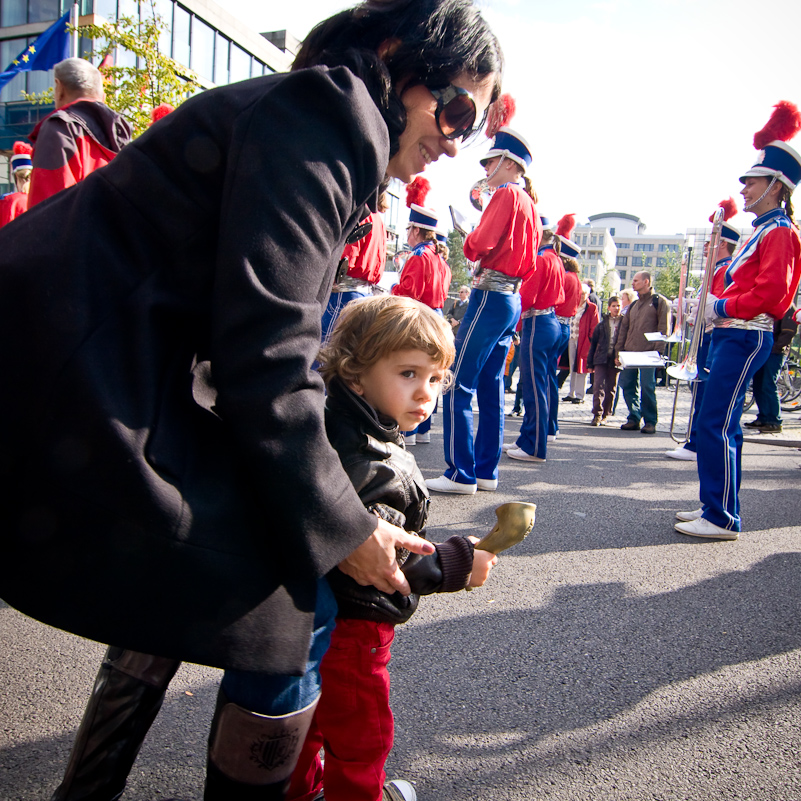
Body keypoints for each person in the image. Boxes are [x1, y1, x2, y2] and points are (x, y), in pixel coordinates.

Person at [0, 1, 502, 798]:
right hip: (64, 369)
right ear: (396, 59)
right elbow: (267, 355)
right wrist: (344, 529)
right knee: (284, 599)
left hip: (78, 363)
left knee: (199, 552)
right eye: (456, 109)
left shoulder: (316, 119)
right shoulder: (327, 111)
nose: (454, 138)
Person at [287, 295, 497, 801]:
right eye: (408, 374)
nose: (425, 394)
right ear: (357, 375)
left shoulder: (335, 425)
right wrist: (459, 562)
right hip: (355, 631)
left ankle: (298, 789)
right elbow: (383, 565)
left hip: (304, 620)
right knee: (363, 735)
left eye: (436, 378)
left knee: (305, 718)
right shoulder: (373, 463)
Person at [675, 100, 801, 540]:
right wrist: (708, 303)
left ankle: (723, 516)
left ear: (776, 184)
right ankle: (716, 505)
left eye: (753, 182)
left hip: (746, 336)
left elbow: (771, 295)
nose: (745, 189)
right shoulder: (764, 230)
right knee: (717, 421)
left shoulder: (781, 231)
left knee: (715, 421)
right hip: (734, 335)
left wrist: (720, 307)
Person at [427, 126, 541, 494]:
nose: (487, 166)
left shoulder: (506, 194)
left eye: (492, 160)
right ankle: (486, 470)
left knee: (457, 381)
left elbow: (480, 244)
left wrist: (469, 237)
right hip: (510, 298)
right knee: (491, 387)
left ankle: (461, 473)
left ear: (508, 163)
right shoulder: (529, 203)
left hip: (491, 296)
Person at [665, 206, 740, 461]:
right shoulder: (715, 270)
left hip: (712, 336)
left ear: (722, 244)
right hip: (706, 336)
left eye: (711, 242)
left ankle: (697, 443)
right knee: (700, 392)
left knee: (705, 393)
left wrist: (697, 308)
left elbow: (717, 306)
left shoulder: (723, 270)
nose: (706, 247)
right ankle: (694, 440)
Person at [27, 57, 132, 207]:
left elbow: (47, 208)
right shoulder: (121, 134)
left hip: (76, 228)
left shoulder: (60, 128)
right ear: (102, 96)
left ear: (59, 89)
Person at [392, 201, 452, 445]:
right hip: (436, 317)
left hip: (418, 318)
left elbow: (407, 292)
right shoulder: (440, 259)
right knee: (429, 375)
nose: (407, 234)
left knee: (412, 372)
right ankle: (423, 428)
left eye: (408, 229)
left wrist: (394, 286)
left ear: (416, 230)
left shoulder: (419, 255)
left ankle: (408, 431)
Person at [504, 226, 564, 461]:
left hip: (538, 322)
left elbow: (526, 297)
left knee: (533, 388)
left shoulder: (541, 258)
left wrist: (513, 325)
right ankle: (527, 438)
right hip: (548, 321)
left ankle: (535, 446)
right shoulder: (555, 258)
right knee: (537, 385)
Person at [321, 194, 388, 344]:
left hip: (343, 296)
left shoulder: (361, 212)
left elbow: (345, 257)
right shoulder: (379, 221)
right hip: (365, 296)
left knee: (324, 352)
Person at [615, 271, 671, 434]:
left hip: (649, 354)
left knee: (647, 387)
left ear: (646, 282)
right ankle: (634, 416)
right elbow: (624, 329)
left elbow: (663, 329)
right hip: (630, 352)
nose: (633, 283)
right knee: (627, 384)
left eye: (636, 280)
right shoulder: (633, 305)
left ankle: (650, 420)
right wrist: (619, 352)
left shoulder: (659, 302)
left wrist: (659, 352)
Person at [548, 218, 583, 440]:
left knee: (545, 379)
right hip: (564, 326)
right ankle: (551, 426)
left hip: (555, 323)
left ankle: (548, 427)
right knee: (549, 378)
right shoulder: (575, 278)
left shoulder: (566, 277)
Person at [744, 305, 798, 434]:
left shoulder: (787, 305)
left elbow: (789, 330)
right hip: (765, 349)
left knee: (768, 384)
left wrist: (777, 347)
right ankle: (764, 417)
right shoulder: (772, 302)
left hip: (774, 352)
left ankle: (774, 421)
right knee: (759, 383)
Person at [586, 294, 622, 425]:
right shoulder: (601, 325)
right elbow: (593, 344)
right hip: (601, 358)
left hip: (616, 359)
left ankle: (606, 413)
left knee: (611, 388)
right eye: (613, 306)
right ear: (609, 308)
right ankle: (597, 413)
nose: (616, 308)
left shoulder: (624, 324)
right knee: (598, 386)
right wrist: (590, 362)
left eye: (618, 306)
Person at [562, 282, 599, 405]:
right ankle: (571, 392)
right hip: (570, 339)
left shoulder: (591, 307)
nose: (581, 296)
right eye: (580, 293)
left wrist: (590, 340)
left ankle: (579, 394)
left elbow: (594, 325)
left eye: (584, 294)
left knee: (581, 368)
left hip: (583, 340)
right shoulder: (573, 304)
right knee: (572, 366)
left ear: (588, 294)